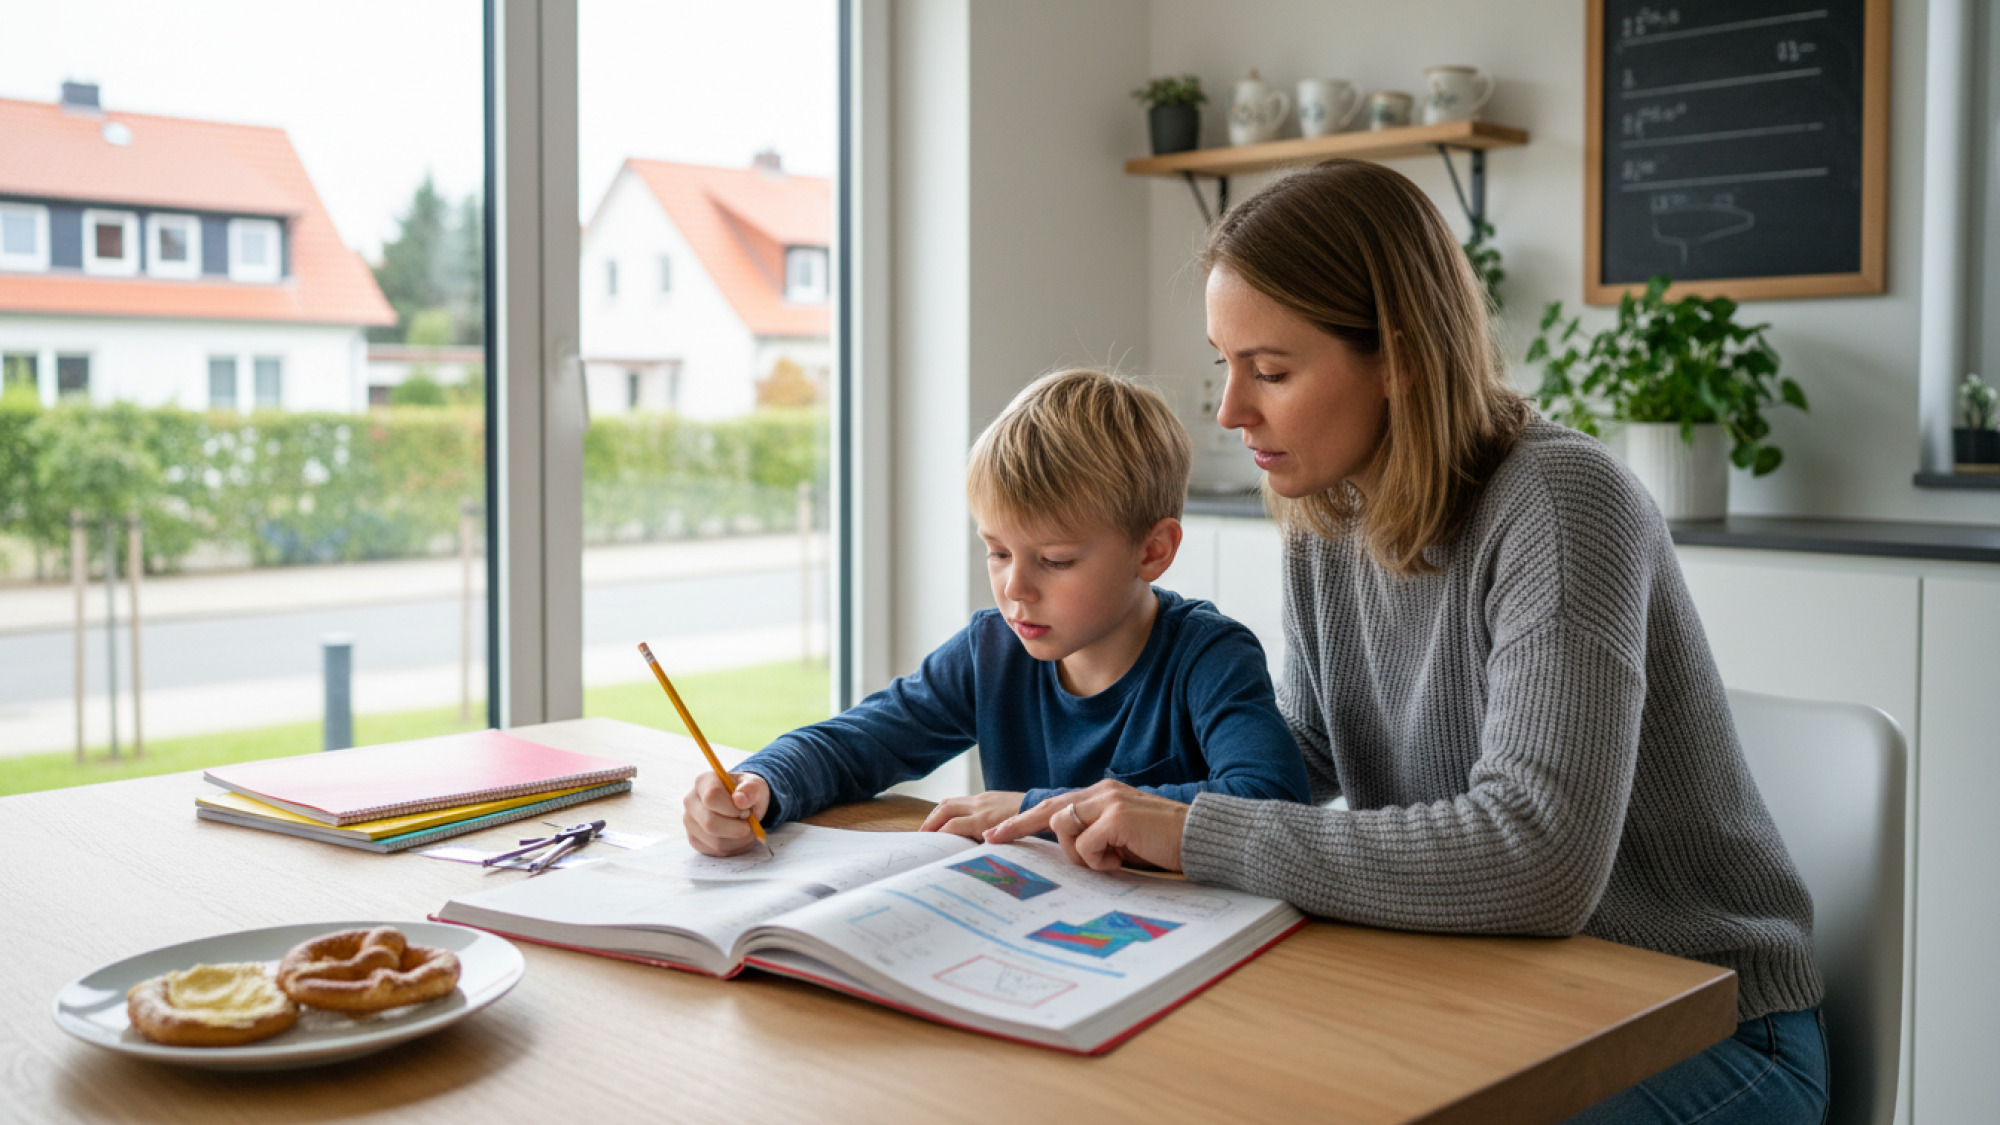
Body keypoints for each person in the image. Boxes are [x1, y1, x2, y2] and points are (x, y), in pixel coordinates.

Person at [986, 161, 1828, 1125]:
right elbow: (1300, 754)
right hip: (1497, 991)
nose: (1230, 410)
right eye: (1225, 364)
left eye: (1270, 371)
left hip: (1703, 1024)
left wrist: (1196, 830)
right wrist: (1077, 815)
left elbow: (1537, 855)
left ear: (1400, 355)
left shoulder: (1561, 504)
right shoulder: (1328, 516)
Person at [683, 367, 1311, 857]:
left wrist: (1031, 809)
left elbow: (1271, 800)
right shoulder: (993, 651)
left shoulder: (1211, 658)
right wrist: (760, 784)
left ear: (1153, 551)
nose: (1015, 588)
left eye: (1056, 560)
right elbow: (856, 743)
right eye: (997, 551)